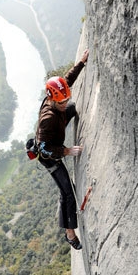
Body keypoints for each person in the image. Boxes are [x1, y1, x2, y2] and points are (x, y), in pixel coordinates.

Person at [35, 49, 89, 250]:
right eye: (62, 102)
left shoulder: (57, 98)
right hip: (50, 156)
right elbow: (43, 149)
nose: (64, 102)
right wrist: (65, 151)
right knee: (68, 191)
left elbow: (66, 81)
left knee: (72, 108)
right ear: (52, 100)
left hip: (57, 133)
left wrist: (81, 63)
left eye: (65, 99)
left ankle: (69, 227)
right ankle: (69, 233)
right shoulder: (47, 119)